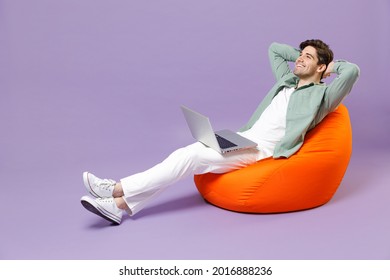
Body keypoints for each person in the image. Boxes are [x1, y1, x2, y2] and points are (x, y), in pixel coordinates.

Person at [80, 39, 360, 225]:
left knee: (188, 156)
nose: (299, 60)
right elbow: (274, 49)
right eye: (299, 55)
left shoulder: (323, 97)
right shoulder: (286, 80)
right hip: (243, 139)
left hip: (261, 151)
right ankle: (119, 205)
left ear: (321, 67)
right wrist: (304, 56)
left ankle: (116, 189)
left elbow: (351, 72)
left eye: (307, 57)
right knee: (189, 154)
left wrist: (328, 68)